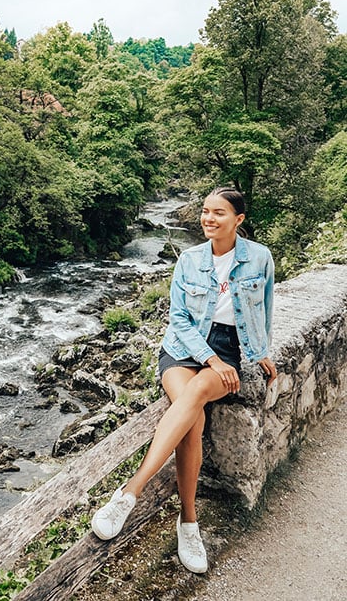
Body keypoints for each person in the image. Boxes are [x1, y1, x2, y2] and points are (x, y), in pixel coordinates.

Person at [91, 186, 277, 573]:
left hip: (228, 348)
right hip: (181, 347)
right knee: (193, 419)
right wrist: (207, 357)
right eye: (206, 211)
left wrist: (259, 353)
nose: (209, 218)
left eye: (219, 213)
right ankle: (183, 520)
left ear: (238, 220)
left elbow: (266, 309)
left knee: (193, 399)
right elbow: (178, 319)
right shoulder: (189, 259)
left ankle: (132, 494)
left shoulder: (260, 258)